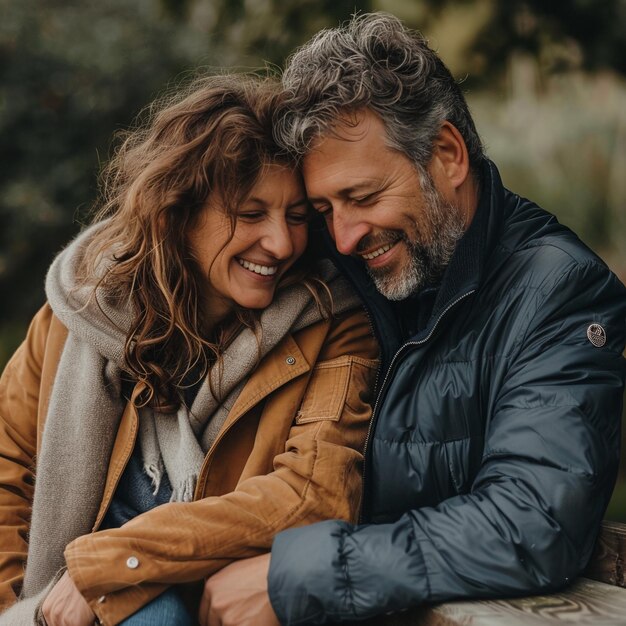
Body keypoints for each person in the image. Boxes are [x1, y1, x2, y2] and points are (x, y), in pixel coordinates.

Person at [200, 12, 626, 626]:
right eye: (323, 208)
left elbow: (533, 519)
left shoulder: (559, 291)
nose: (342, 237)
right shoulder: (325, 259)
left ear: (448, 155)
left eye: (364, 197)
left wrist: (297, 574)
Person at [0, 73, 380, 625]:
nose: (279, 243)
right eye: (250, 215)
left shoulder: (331, 323)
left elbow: (315, 494)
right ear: (179, 212)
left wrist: (114, 566)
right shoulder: (77, 312)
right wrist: (16, 609)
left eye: (296, 217)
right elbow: (8, 471)